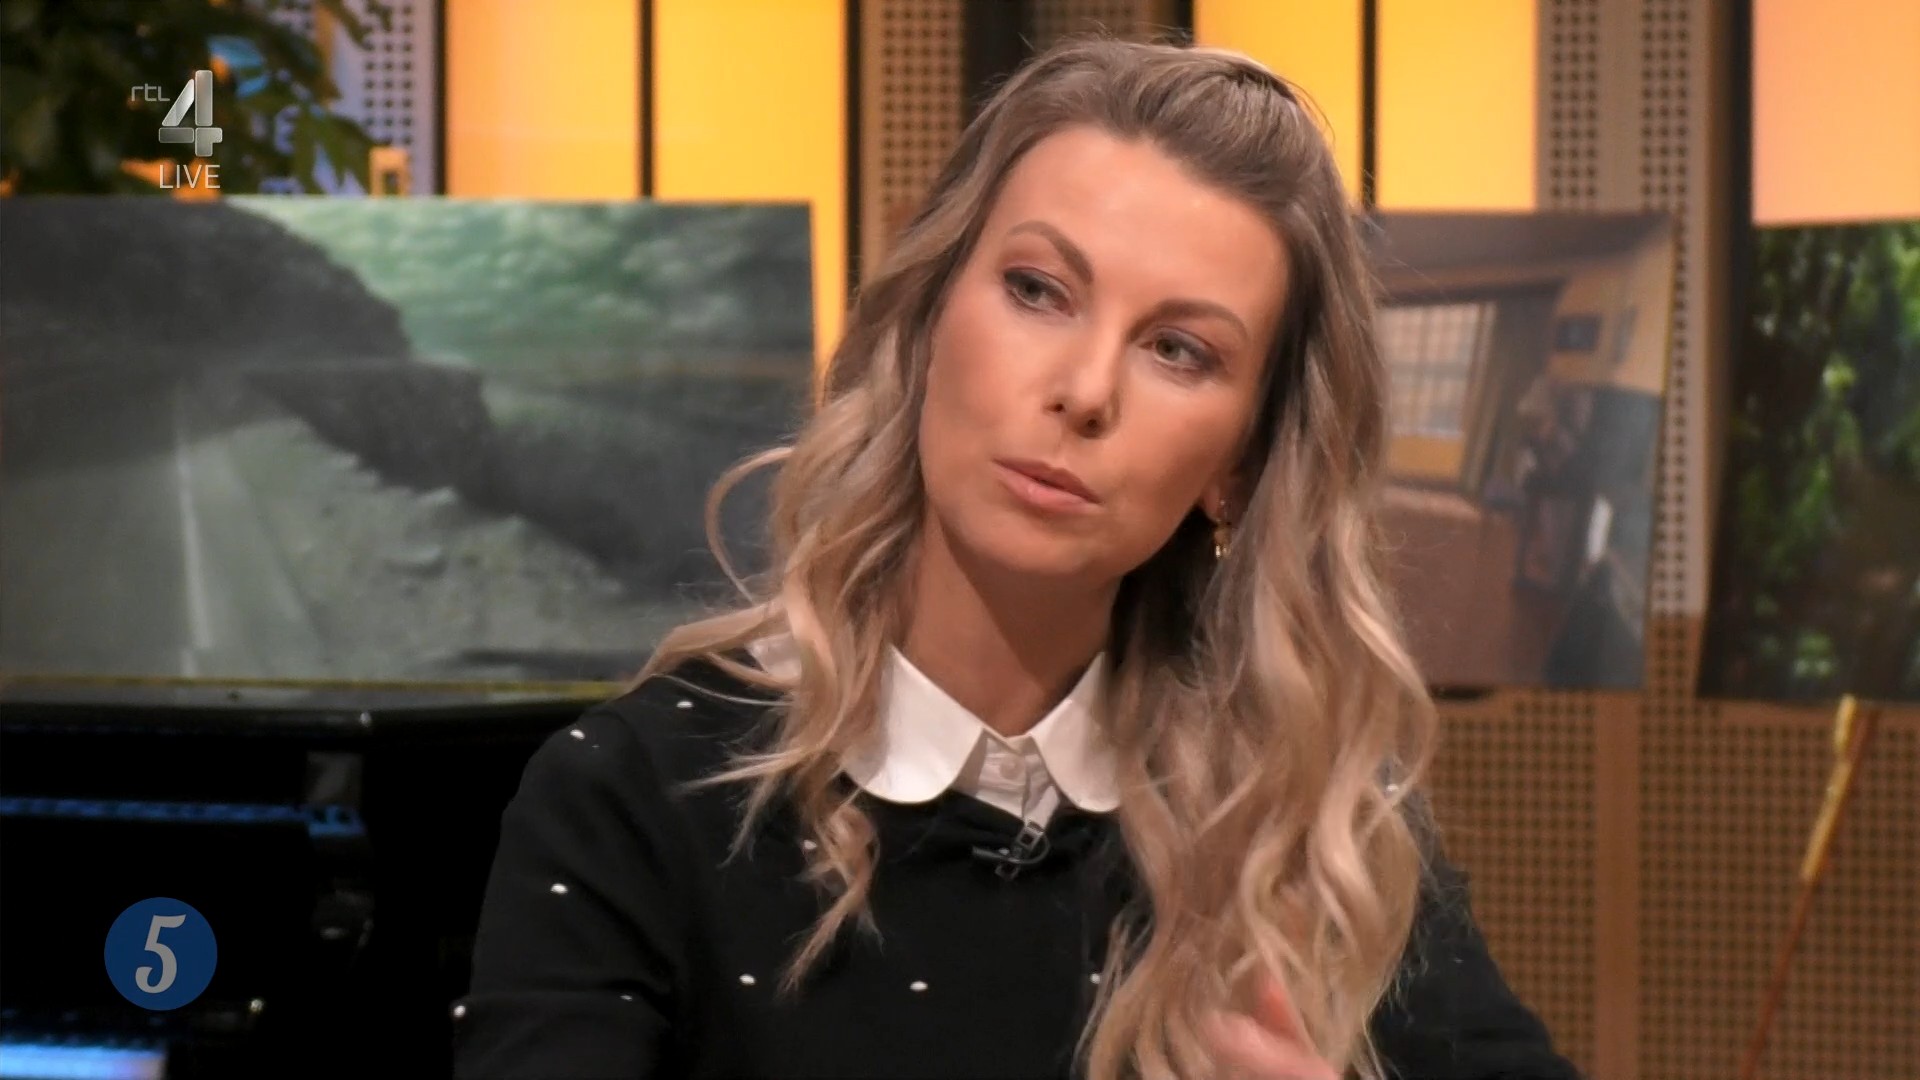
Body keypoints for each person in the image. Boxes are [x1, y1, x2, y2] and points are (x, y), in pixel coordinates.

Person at [452, 36, 1583, 1080]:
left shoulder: (1315, 829)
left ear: (1237, 465)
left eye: (1179, 350)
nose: (1085, 392)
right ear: (926, 315)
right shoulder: (632, 797)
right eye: (1038, 291)